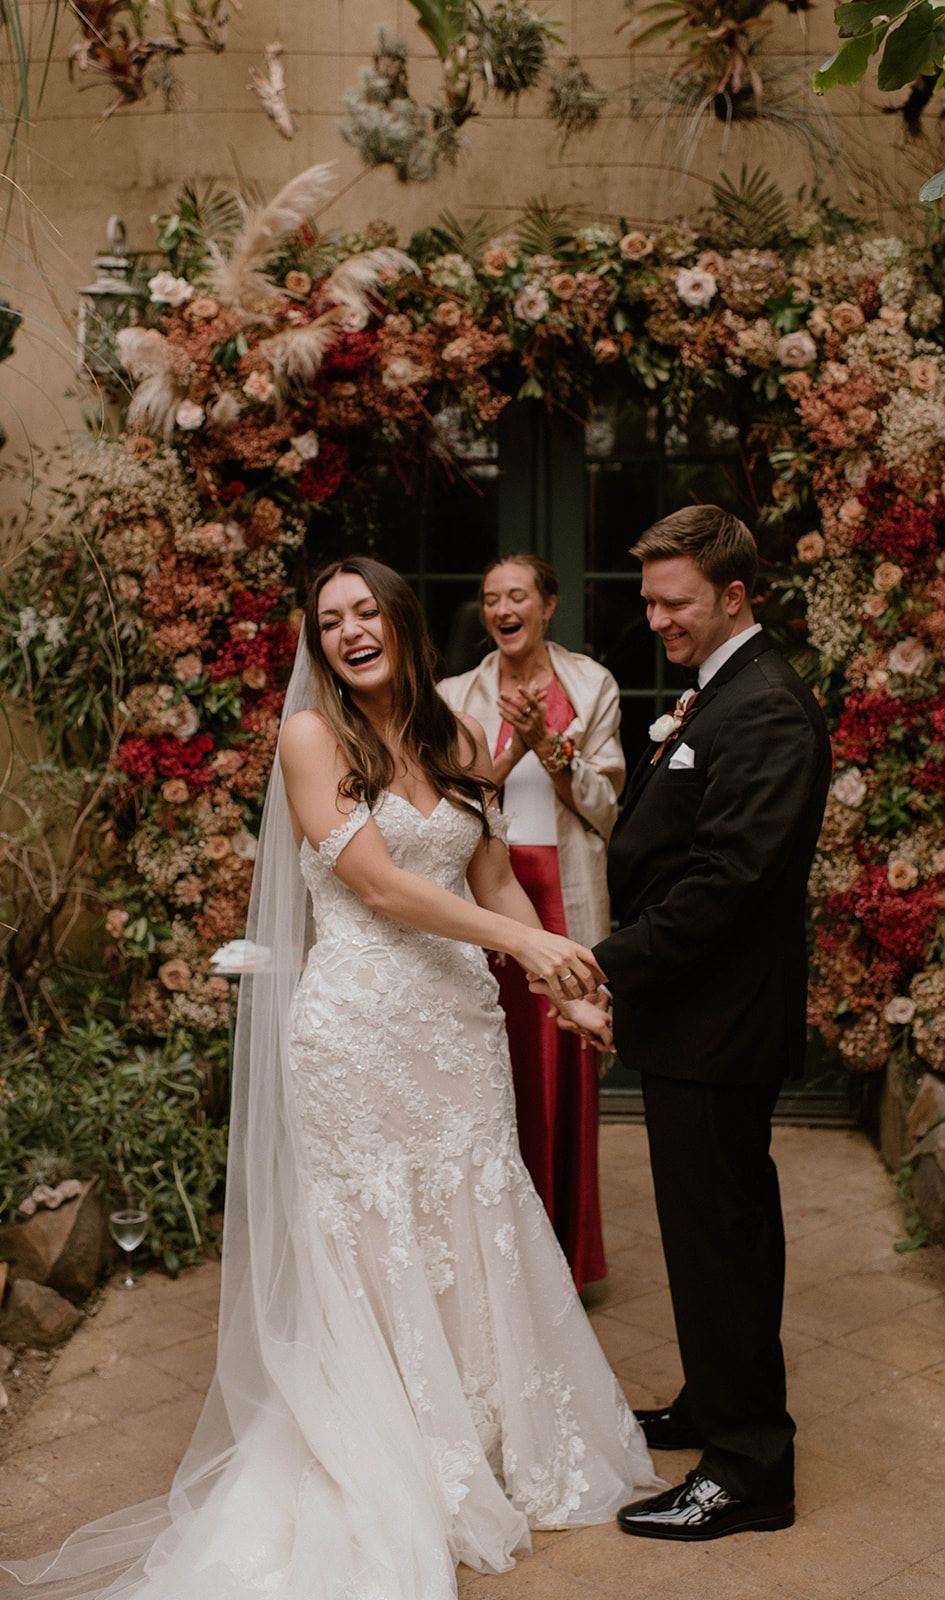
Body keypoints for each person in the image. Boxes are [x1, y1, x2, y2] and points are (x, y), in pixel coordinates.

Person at [1, 556, 658, 1600]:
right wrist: (525, 950)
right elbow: (385, 887)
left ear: (398, 620)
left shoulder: (449, 733)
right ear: (318, 640)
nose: (350, 630)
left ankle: (489, 1438)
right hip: (358, 1031)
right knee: (377, 1232)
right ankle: (396, 1453)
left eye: (365, 611)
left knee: (472, 1211)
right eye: (329, 619)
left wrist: (561, 988)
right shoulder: (311, 738)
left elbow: (488, 872)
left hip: (458, 1028)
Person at [548, 506, 831, 1543]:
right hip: (692, 1019)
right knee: (707, 1235)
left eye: (676, 602)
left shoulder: (769, 711)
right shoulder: (724, 691)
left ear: (734, 596)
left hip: (721, 1026)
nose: (656, 617)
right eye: (651, 598)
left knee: (723, 1238)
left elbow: (724, 882)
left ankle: (751, 1465)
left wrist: (600, 962)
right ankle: (717, 1405)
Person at [439, 554, 623, 1292]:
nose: (502, 609)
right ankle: (500, 1261)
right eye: (490, 599)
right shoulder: (456, 693)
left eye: (517, 596)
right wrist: (515, 742)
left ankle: (568, 1261)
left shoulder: (593, 685)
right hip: (490, 897)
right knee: (497, 1070)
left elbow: (607, 807)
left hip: (564, 890)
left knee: (565, 1072)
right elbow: (454, 799)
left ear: (548, 605)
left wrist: (551, 750)